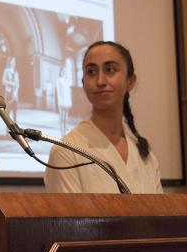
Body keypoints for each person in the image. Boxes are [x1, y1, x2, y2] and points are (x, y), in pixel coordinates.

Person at [44, 41, 162, 194]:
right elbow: (69, 218)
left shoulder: (145, 154)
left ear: (130, 81)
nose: (100, 81)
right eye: (91, 72)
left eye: (110, 70)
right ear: (83, 83)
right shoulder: (66, 152)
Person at [1, 56, 19, 123]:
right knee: (8, 111)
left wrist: (15, 93)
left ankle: (15, 127)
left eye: (14, 61)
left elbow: (18, 84)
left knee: (15, 111)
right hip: (8, 93)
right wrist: (11, 83)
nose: (13, 62)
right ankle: (8, 126)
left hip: (15, 94)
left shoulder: (16, 72)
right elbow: (3, 81)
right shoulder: (6, 71)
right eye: (12, 61)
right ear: (10, 62)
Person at [56, 65, 72, 136]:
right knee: (62, 118)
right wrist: (60, 102)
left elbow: (69, 92)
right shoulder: (59, 80)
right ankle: (62, 133)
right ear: (61, 71)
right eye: (63, 71)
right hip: (61, 102)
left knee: (66, 118)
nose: (64, 72)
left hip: (67, 102)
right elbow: (58, 92)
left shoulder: (67, 80)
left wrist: (69, 102)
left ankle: (65, 131)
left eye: (65, 71)